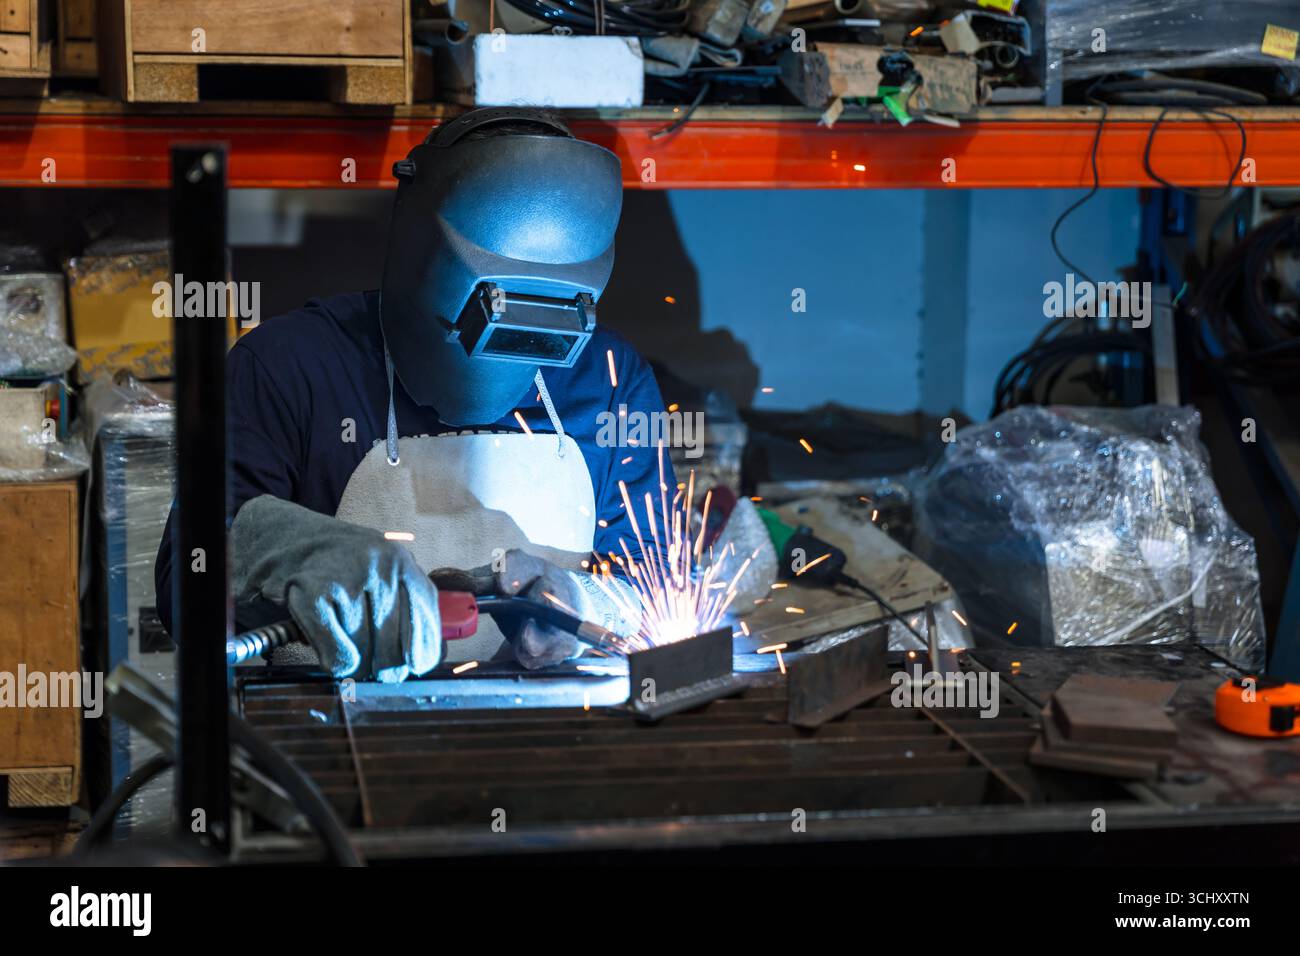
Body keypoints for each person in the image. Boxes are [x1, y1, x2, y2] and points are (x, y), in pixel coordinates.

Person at [154, 108, 671, 682]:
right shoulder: (289, 367)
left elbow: (656, 589)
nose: (509, 351)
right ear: (425, 256)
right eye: (492, 314)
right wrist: (279, 555)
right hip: (326, 740)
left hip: (548, 738)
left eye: (545, 326)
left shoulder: (608, 380)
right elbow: (187, 591)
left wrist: (586, 603)